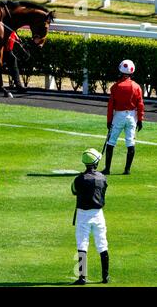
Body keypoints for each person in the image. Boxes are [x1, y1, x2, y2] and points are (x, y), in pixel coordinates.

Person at [71, 148, 109, 285]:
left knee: (82, 244)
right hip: (98, 214)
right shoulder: (102, 177)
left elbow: (74, 191)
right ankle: (105, 277)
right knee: (102, 243)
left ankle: (82, 277)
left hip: (83, 214)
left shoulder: (79, 179)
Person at [102, 59, 145, 175]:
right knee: (130, 142)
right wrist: (140, 119)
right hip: (132, 116)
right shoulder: (136, 87)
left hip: (118, 116)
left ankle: (107, 169)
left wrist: (109, 120)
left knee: (111, 142)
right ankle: (127, 170)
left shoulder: (115, 87)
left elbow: (110, 106)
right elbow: (140, 104)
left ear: (121, 71)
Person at [3, 30, 26, 97]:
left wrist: (16, 37)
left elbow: (12, 30)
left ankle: (19, 86)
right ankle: (19, 86)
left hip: (8, 50)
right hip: (2, 50)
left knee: (14, 66)